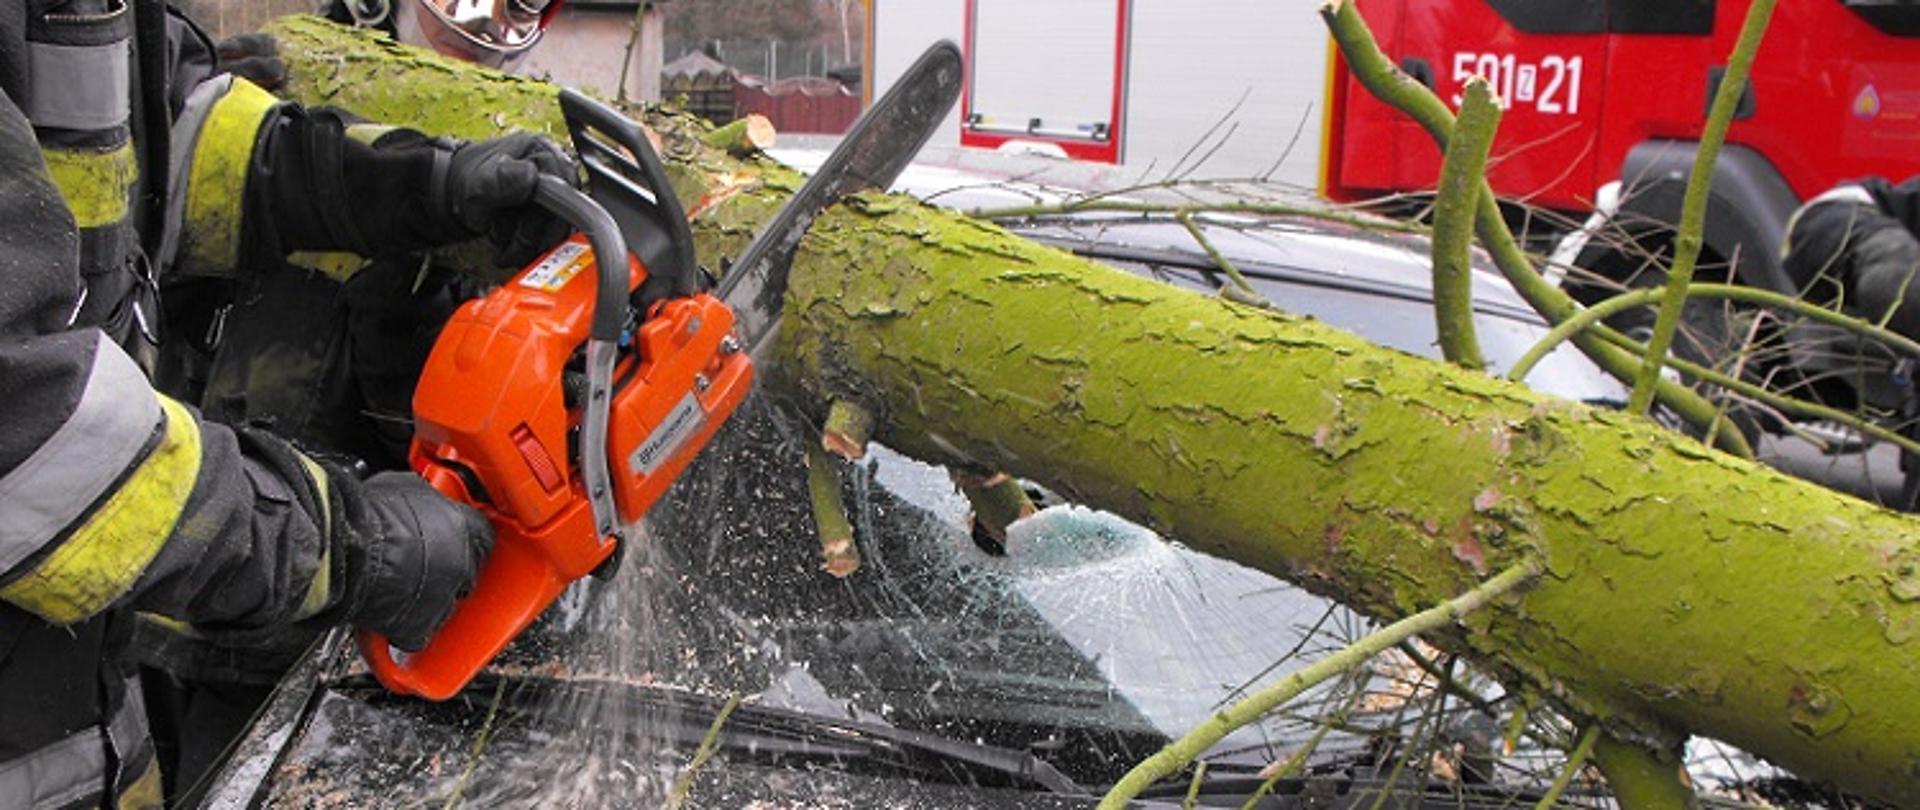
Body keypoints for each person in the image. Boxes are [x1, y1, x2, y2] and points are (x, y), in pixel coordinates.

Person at [0, 1, 573, 806]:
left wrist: (420, 186)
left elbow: (181, 144)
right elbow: (31, 445)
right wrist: (344, 546)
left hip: (83, 693)